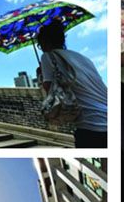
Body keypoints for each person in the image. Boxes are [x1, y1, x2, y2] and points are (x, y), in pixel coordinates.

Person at [38, 20, 108, 148]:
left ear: (46, 42)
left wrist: (41, 76)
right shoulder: (83, 58)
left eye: (40, 44)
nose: (40, 48)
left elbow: (50, 92)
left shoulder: (48, 56)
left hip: (90, 124)